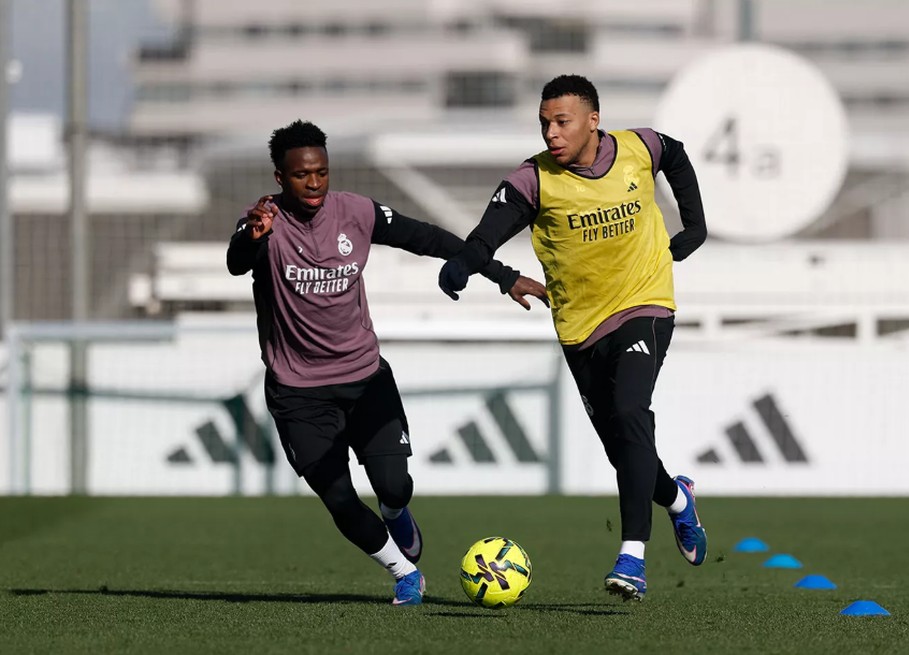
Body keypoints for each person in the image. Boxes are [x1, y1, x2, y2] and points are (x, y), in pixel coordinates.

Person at [227, 119, 547, 606]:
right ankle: (404, 574)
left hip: (364, 378)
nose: (314, 183)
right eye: (301, 175)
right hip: (298, 392)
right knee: (337, 497)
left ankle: (396, 511)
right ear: (279, 178)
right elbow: (236, 260)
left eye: (322, 172)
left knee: (393, 485)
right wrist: (252, 236)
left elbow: (431, 239)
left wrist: (502, 275)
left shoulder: (355, 212)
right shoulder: (262, 222)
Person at [438, 75, 708, 601]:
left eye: (561, 122)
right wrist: (463, 266)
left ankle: (632, 557)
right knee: (622, 448)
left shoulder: (639, 147)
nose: (551, 133)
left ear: (592, 120)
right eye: (544, 123)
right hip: (579, 327)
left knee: (631, 414)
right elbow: (485, 236)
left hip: (644, 303)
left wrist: (694, 226)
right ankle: (677, 500)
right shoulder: (532, 181)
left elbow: (675, 155)